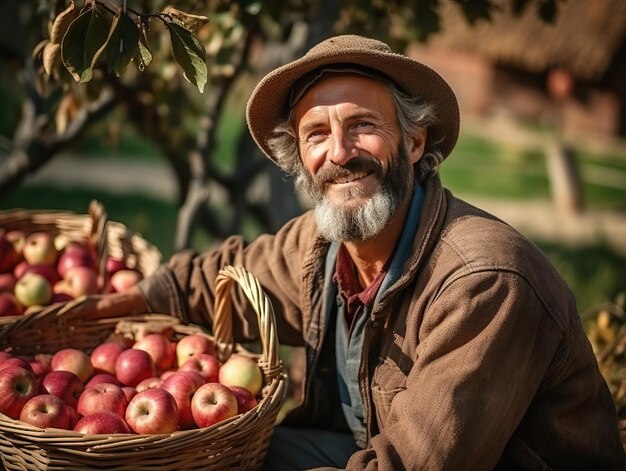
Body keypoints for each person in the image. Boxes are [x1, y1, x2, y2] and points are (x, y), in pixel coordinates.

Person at [86, 35, 625, 469]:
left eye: (362, 126)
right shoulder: (322, 246)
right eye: (316, 134)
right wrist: (92, 312)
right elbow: (207, 279)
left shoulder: (483, 281)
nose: (338, 153)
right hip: (357, 450)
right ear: (298, 156)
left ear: (414, 143)